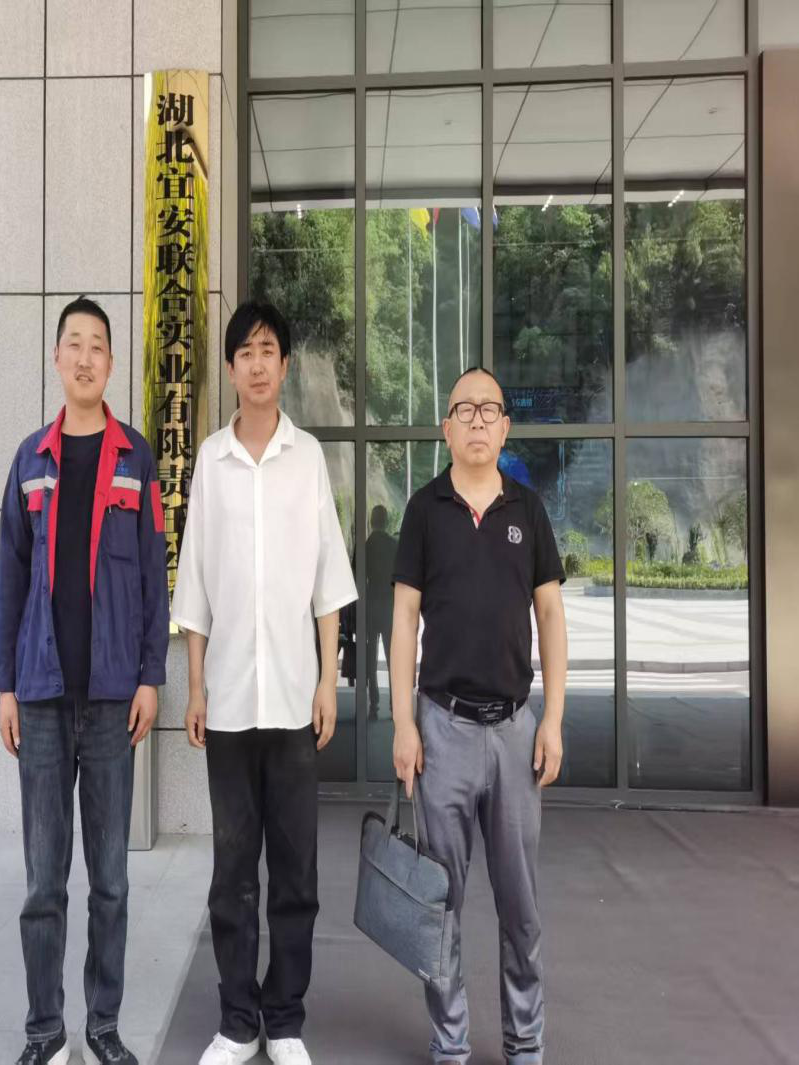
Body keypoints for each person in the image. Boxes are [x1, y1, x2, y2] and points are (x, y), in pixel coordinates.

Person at [171, 301, 357, 1065]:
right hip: (227, 698)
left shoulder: (306, 458)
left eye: (268, 349)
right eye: (244, 350)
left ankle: (284, 1020)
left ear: (284, 366)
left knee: (296, 870)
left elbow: (327, 579)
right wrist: (194, 685)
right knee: (232, 870)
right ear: (230, 367)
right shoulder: (210, 462)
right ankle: (237, 1021)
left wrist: (327, 680)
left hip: (291, 696)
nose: (255, 363)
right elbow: (195, 585)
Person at [0, 296, 169, 1065]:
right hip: (39, 695)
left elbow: (155, 575)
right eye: (75, 343)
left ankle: (102, 1025)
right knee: (43, 880)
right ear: (57, 359)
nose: (87, 356)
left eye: (99, 344)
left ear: (111, 363)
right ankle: (44, 1031)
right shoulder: (31, 460)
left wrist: (152, 676)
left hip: (109, 700)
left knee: (111, 879)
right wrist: (4, 681)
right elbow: (9, 576)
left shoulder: (137, 459)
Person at [389, 367, 568, 1065]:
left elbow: (550, 615)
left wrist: (552, 718)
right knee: (441, 902)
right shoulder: (423, 509)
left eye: (488, 410)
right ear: (446, 427)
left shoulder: (528, 509)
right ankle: (451, 1041)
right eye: (464, 410)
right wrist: (404, 723)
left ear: (505, 426)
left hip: (516, 731)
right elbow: (404, 620)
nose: (477, 421)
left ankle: (525, 1042)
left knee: (520, 906)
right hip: (443, 729)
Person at [365, 504, 398, 718]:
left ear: (371, 521)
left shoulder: (365, 546)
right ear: (386, 522)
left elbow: (357, 576)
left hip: (371, 604)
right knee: (392, 654)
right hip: (389, 605)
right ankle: (395, 703)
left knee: (370, 656)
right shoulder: (394, 545)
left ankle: (374, 703)